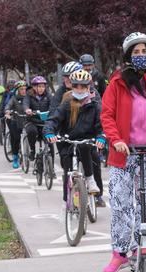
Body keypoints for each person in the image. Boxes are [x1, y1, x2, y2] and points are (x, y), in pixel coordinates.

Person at [100, 32, 146, 272]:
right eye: (136, 52)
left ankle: (142, 247)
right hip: (124, 153)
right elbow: (107, 115)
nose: (141, 55)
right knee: (121, 203)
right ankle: (120, 252)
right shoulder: (118, 82)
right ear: (128, 55)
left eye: (144, 51)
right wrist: (116, 140)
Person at [43, 69, 103, 204]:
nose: (80, 90)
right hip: (67, 142)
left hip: (88, 142)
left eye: (83, 86)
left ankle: (90, 179)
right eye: (76, 86)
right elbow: (53, 119)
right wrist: (49, 132)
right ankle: (68, 201)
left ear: (89, 87)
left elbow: (102, 125)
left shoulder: (95, 106)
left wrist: (101, 137)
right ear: (72, 86)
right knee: (68, 171)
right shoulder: (66, 104)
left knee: (88, 152)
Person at [23, 76, 53, 163]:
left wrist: (53, 111)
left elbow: (53, 104)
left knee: (50, 141)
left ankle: (52, 168)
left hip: (45, 122)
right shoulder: (29, 95)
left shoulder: (48, 95)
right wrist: (27, 110)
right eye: (39, 86)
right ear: (34, 87)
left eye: (43, 86)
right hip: (32, 121)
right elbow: (25, 104)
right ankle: (32, 150)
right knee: (31, 131)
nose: (41, 89)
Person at [4, 81, 28, 169]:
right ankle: (15, 157)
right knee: (16, 139)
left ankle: (28, 153)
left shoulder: (28, 98)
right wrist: (7, 111)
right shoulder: (14, 98)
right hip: (16, 120)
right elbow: (8, 105)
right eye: (21, 89)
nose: (24, 91)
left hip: (26, 120)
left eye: (25, 89)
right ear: (17, 90)